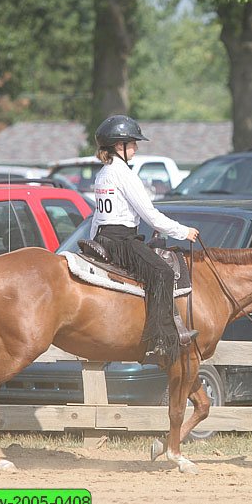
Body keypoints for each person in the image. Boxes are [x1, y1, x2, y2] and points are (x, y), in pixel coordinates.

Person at [89, 114, 199, 365]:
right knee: (163, 273)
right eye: (133, 143)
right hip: (122, 241)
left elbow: (97, 216)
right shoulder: (124, 174)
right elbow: (151, 216)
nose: (136, 148)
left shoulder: (103, 174)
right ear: (120, 146)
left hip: (103, 238)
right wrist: (184, 232)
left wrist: (92, 241)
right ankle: (159, 339)